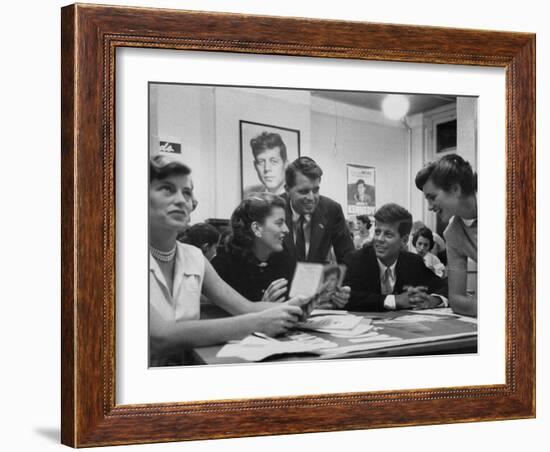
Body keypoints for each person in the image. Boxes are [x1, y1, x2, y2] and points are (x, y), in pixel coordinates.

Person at [148, 155, 309, 367]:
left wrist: (292, 308)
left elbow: (245, 307)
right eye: (167, 189)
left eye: (186, 192)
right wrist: (258, 323)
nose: (181, 200)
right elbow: (159, 337)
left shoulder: (195, 257)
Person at [343, 203, 447, 312]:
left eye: (388, 235)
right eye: (377, 232)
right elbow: (346, 298)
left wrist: (433, 300)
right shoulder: (356, 260)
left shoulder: (413, 263)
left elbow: (444, 287)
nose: (379, 239)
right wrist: (394, 300)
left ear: (404, 240)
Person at [415, 154, 477, 317]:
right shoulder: (452, 233)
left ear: (455, 189)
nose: (429, 207)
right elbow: (456, 301)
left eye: (432, 197)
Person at [211, 193, 295, 302]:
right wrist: (262, 307)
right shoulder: (222, 268)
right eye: (279, 223)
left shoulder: (286, 261)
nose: (286, 230)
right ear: (257, 228)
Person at [281, 156, 355, 266]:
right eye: (304, 191)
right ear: (287, 190)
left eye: (315, 190)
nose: (311, 198)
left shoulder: (332, 210)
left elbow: (348, 257)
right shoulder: (273, 209)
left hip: (318, 281)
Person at [243, 132, 288, 198]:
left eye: (274, 161)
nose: (267, 168)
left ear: (286, 165)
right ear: (255, 166)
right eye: (261, 162)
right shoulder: (249, 195)